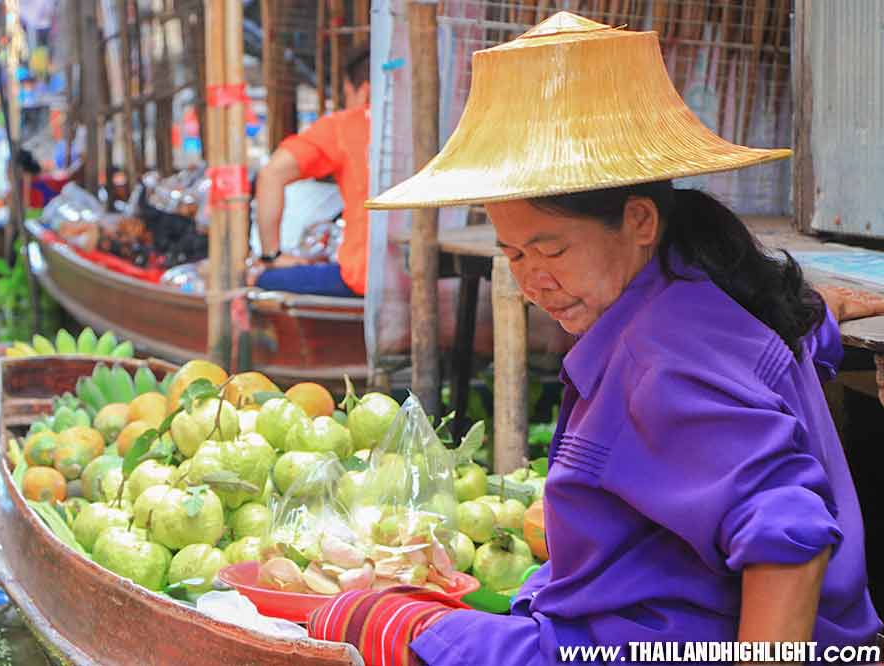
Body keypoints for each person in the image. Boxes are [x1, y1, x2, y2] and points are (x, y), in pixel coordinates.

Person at [308, 13, 883, 664]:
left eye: (550, 249)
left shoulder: (666, 358)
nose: (533, 281)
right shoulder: (709, 291)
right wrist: (822, 309)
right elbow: (791, 352)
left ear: (639, 220)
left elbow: (789, 526)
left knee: (359, 618)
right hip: (651, 621)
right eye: (515, 254)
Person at [248, 47, 370, 298]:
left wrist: (272, 255)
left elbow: (271, 174)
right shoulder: (441, 122)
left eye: (347, 93)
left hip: (366, 279)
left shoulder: (347, 126)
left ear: (364, 90)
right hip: (445, 277)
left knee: (259, 278)